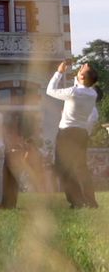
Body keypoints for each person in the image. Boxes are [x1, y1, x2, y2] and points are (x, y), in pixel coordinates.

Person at [46, 61, 99, 209]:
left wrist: (59, 72)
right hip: (81, 133)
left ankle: (76, 201)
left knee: (62, 168)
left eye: (82, 69)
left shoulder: (73, 92)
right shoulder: (92, 94)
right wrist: (80, 74)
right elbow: (81, 85)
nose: (81, 67)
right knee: (81, 168)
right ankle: (90, 201)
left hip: (67, 133)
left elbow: (50, 90)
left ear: (82, 76)